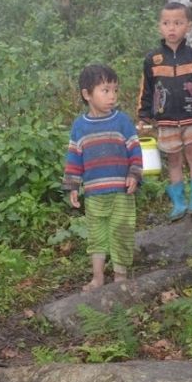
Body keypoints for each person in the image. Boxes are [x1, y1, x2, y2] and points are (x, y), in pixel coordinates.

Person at [137, 3, 192, 219]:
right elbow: (146, 90)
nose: (171, 28)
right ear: (159, 27)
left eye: (177, 23)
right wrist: (144, 117)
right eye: (166, 23)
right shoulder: (152, 59)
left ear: (188, 27)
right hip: (165, 121)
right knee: (173, 161)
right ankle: (178, 202)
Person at [62, 64, 141, 291]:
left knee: (121, 230)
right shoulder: (80, 127)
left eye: (115, 90)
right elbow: (74, 157)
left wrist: (134, 174)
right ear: (87, 94)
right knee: (97, 235)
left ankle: (120, 276)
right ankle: (97, 277)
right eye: (105, 90)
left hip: (121, 191)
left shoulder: (122, 121)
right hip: (95, 192)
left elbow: (135, 150)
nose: (112, 96)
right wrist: (73, 186)